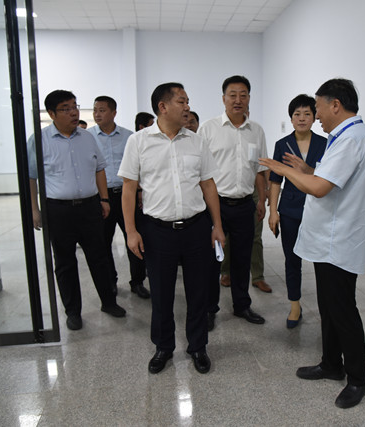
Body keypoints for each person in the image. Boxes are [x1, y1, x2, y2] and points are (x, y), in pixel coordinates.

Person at [259, 78, 365, 409]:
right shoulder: (344, 137)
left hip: (338, 241)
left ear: (335, 105)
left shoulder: (352, 139)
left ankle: (358, 378)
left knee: (343, 310)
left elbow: (320, 188)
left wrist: (282, 169)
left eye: (318, 108)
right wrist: (306, 169)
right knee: (328, 306)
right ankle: (331, 363)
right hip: (329, 240)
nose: (316, 115)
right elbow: (325, 177)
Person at [118, 83, 225, 375]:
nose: (187, 107)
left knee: (198, 292)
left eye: (187, 101)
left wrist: (217, 226)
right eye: (181, 101)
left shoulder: (197, 141)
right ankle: (163, 347)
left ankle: (198, 347)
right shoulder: (138, 142)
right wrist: (131, 231)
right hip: (157, 231)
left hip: (196, 228)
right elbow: (129, 188)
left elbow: (208, 185)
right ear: (163, 107)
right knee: (162, 294)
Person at [28, 89, 126, 331]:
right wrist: (34, 209)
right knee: (65, 262)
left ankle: (109, 302)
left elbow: (99, 168)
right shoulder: (39, 140)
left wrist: (104, 199)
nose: (73, 112)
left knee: (99, 257)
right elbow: (30, 177)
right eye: (66, 109)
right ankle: (73, 312)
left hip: (90, 207)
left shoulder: (88, 137)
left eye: (74, 107)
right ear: (51, 114)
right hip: (58, 211)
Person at [199, 75, 268, 330]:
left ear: (249, 98)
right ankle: (209, 309)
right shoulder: (208, 129)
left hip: (245, 205)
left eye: (243, 95)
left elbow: (259, 169)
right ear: (223, 98)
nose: (238, 100)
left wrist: (261, 200)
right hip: (215, 206)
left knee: (242, 258)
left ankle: (242, 305)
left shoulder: (256, 131)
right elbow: (200, 172)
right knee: (212, 261)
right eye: (232, 95)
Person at [268, 94, 327, 328]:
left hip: (318, 210)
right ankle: (295, 306)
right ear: (291, 118)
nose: (302, 118)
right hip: (290, 210)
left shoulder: (325, 143)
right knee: (292, 259)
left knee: (322, 262)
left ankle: (326, 308)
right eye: (297, 114)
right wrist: (273, 212)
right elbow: (275, 181)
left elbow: (328, 177)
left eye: (307, 114)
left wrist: (307, 169)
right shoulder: (282, 144)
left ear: (314, 117)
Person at [88, 96, 150, 299]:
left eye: (102, 110)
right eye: (95, 110)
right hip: (101, 198)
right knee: (103, 243)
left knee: (135, 238)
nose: (97, 114)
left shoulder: (129, 137)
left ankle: (137, 282)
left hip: (126, 195)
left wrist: (139, 192)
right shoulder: (88, 137)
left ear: (114, 113)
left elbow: (139, 167)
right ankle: (111, 281)